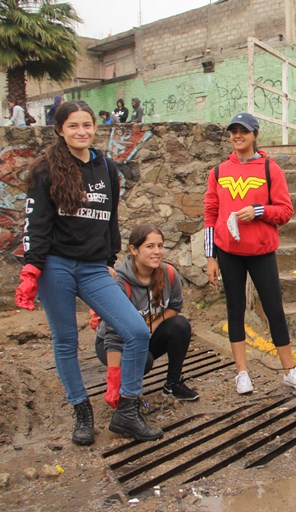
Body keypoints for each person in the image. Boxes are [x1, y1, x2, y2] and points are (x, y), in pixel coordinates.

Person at [14, 100, 162, 445]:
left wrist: (110, 260)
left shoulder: (106, 166)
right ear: (60, 130)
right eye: (73, 126)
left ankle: (126, 411)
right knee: (66, 342)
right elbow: (36, 222)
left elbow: (111, 217)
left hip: (95, 268)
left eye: (87, 125)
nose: (82, 132)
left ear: (95, 128)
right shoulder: (45, 169)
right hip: (57, 267)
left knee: (137, 332)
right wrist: (32, 269)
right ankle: (81, 411)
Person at [204, 112, 296, 395]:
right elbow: (210, 215)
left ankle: (290, 371)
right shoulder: (218, 172)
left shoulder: (270, 168)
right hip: (228, 251)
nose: (238, 135)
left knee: (274, 309)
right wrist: (209, 257)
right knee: (235, 309)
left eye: (244, 131)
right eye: (233, 131)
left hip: (262, 250)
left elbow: (286, 211)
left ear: (255, 135)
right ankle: (242, 372)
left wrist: (259, 211)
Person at [95, 224, 199, 404]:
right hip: (115, 342)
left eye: (160, 246)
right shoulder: (119, 281)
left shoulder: (169, 274)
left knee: (180, 325)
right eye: (150, 246)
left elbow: (174, 307)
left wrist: (153, 326)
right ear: (134, 249)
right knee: (144, 362)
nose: (157, 251)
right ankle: (126, 391)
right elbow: (112, 335)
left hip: (145, 334)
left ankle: (172, 384)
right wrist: (113, 377)